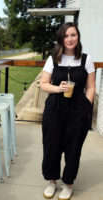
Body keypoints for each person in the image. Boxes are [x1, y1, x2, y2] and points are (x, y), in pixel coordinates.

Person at [40, 22, 96, 200]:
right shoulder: (53, 59)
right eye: (66, 36)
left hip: (77, 110)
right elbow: (43, 84)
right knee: (51, 147)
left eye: (73, 35)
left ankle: (69, 184)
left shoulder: (87, 59)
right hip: (54, 109)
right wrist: (58, 88)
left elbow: (91, 87)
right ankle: (51, 181)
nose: (70, 39)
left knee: (73, 149)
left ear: (78, 37)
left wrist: (85, 107)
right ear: (61, 39)